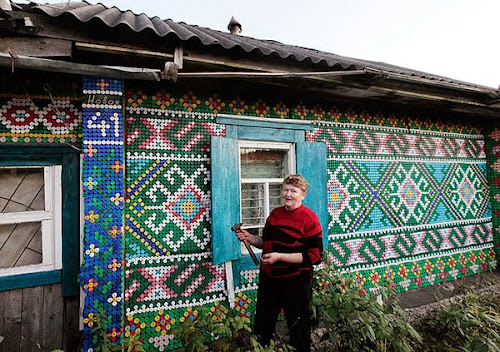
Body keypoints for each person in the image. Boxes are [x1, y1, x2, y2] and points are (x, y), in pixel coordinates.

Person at [235, 174, 323, 352]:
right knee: (263, 325)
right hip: (270, 279)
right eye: (285, 190)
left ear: (303, 195)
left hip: (296, 282)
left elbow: (314, 256)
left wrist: (279, 257)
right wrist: (250, 238)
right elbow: (265, 243)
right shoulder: (275, 215)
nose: (288, 194)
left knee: (298, 327)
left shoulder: (309, 219)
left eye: (293, 191)